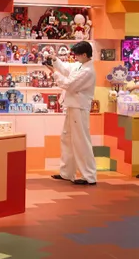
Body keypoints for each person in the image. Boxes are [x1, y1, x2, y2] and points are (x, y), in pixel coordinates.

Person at [45, 41, 97, 186]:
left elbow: (69, 85)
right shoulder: (80, 65)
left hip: (79, 108)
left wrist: (54, 72)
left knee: (81, 141)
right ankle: (67, 172)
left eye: (77, 55)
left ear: (84, 55)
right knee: (67, 139)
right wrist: (55, 60)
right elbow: (67, 68)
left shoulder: (88, 71)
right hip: (72, 106)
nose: (75, 57)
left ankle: (89, 176)